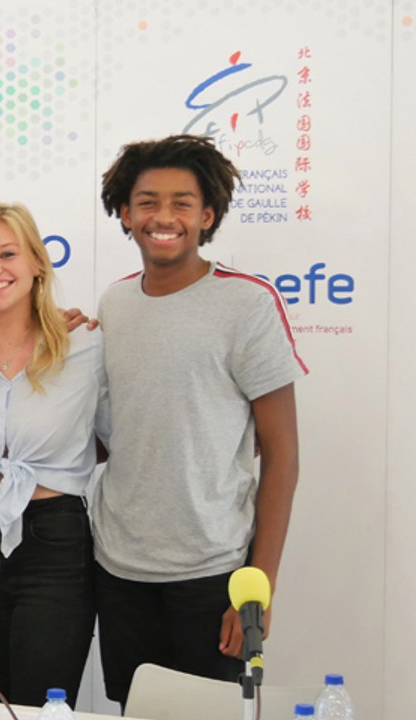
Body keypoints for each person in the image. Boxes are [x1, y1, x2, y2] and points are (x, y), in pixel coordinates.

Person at [90, 134, 306, 706]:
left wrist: (258, 587)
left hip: (213, 575)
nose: (164, 217)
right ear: (125, 213)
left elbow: (282, 457)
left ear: (207, 215)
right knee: (133, 711)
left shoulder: (247, 304)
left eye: (182, 203)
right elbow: (117, 434)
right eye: (147, 201)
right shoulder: (113, 304)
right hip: (119, 570)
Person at [0, 202, 108, 707]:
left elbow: (118, 437)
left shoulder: (86, 345)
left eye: (7, 254)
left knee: (42, 705)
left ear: (37, 263)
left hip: (55, 541)